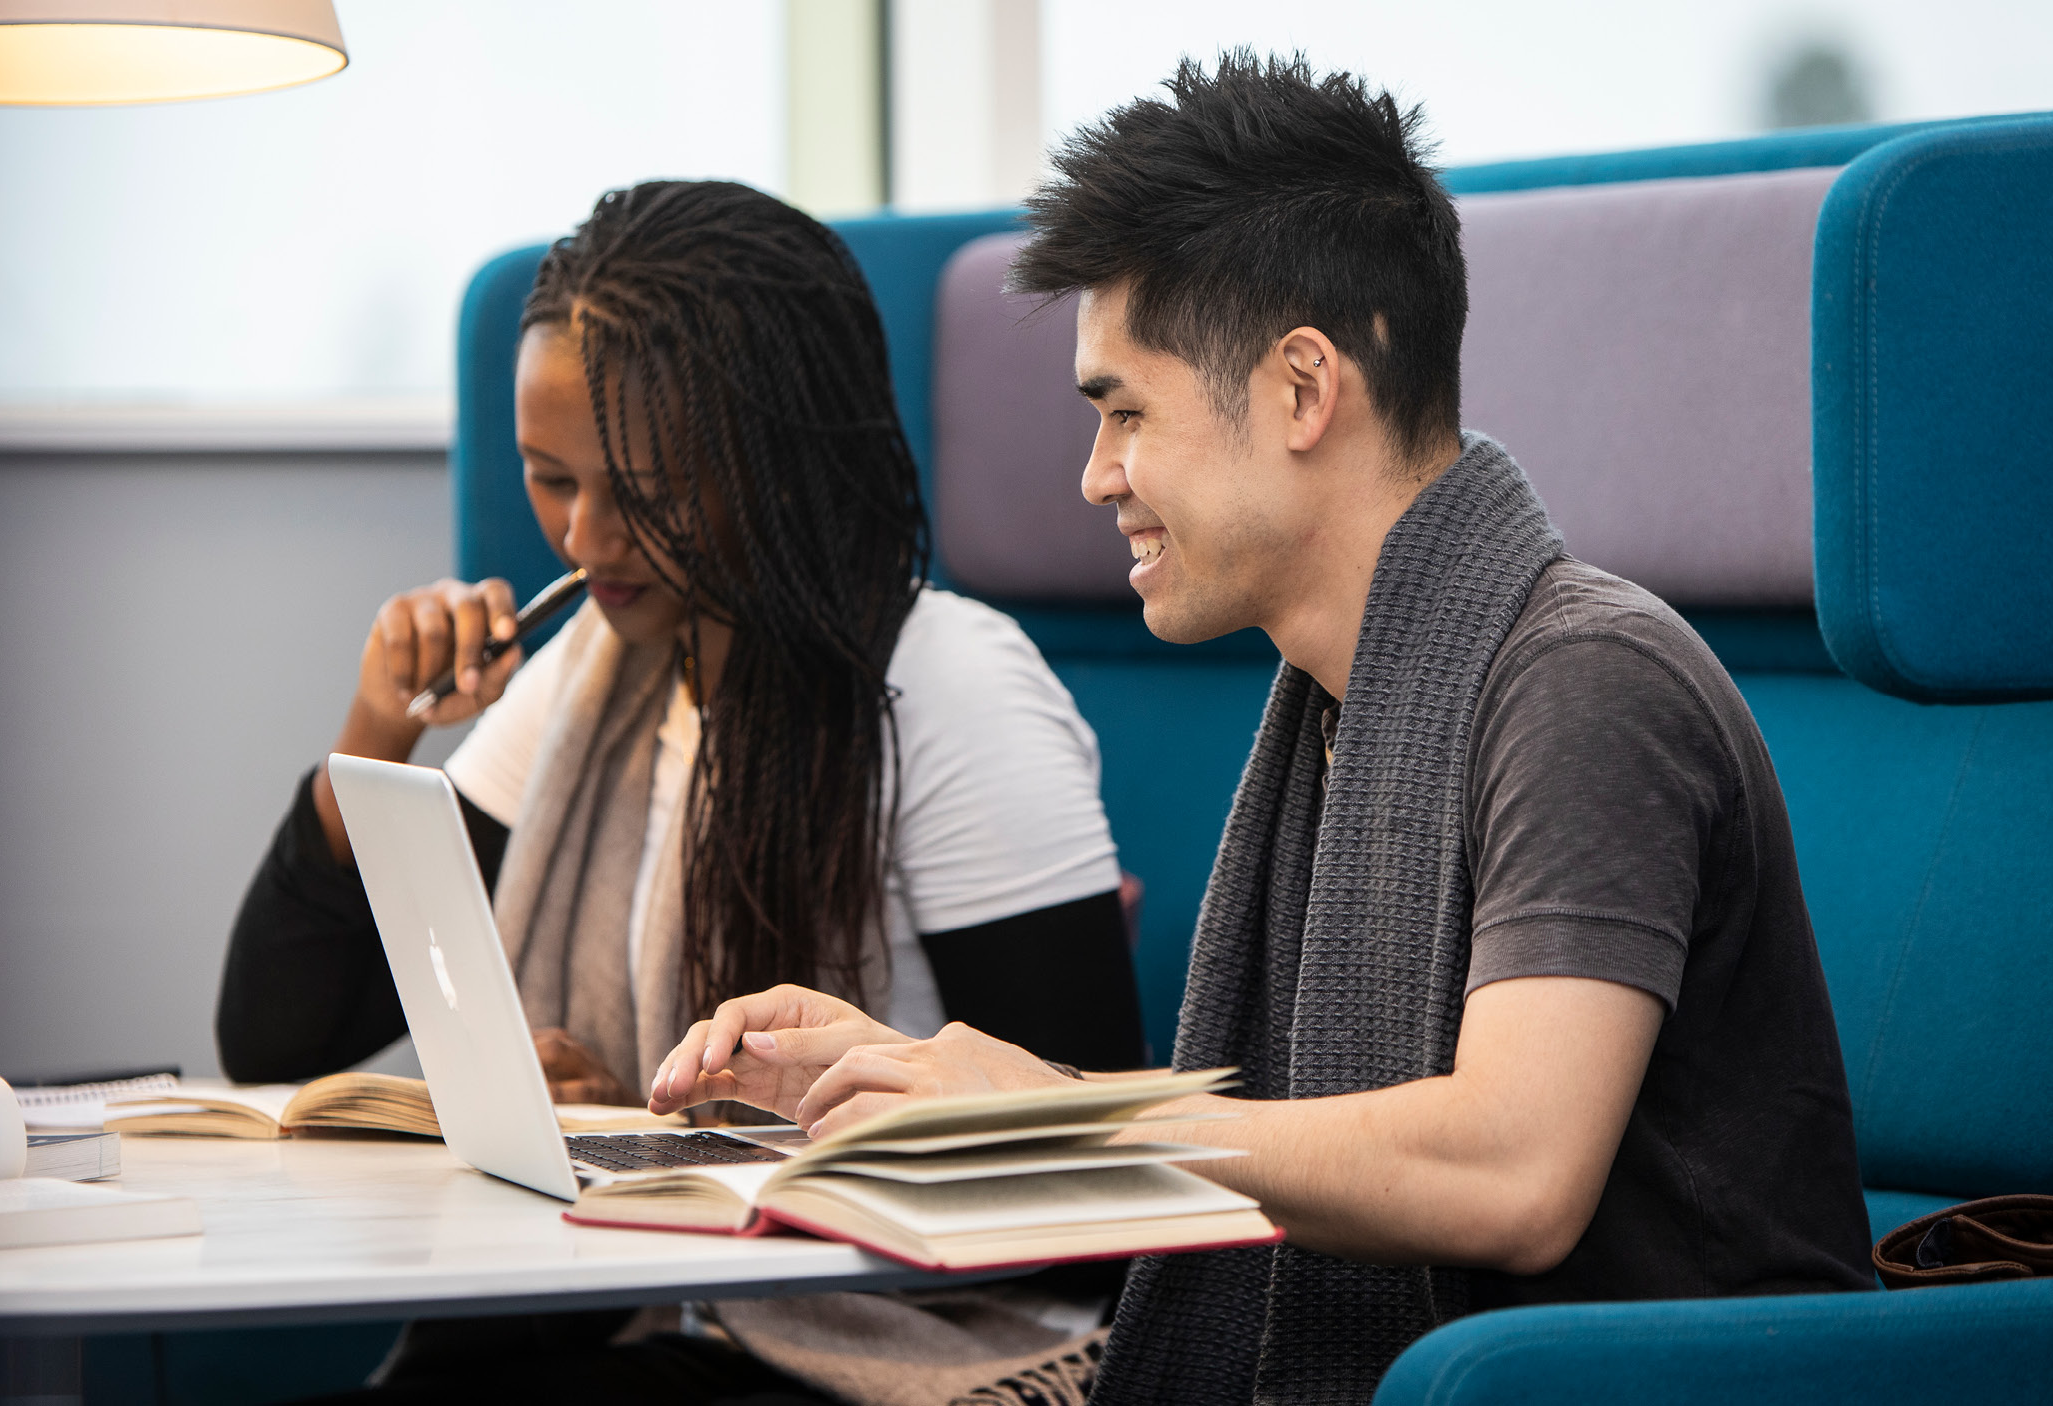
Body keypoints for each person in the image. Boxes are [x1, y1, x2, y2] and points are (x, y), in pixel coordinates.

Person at [647, 52, 1877, 1401]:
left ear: (1301, 387)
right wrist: (934, 1094)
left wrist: (1055, 1123)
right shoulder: (1337, 707)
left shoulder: (1585, 683)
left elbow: (1512, 1173)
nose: (1096, 472)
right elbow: (1293, 1147)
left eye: (1126, 409)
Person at [218, 179, 1146, 1404]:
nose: (587, 539)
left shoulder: (949, 685)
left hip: (888, 1337)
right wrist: (380, 729)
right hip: (630, 1301)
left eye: (643, 494)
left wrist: (668, 1141)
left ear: (777, 464)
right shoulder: (591, 675)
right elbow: (276, 1041)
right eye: (552, 480)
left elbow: (1088, 1194)